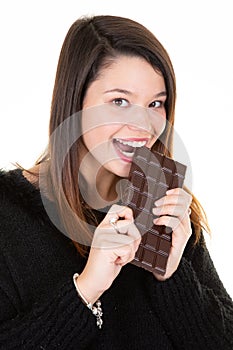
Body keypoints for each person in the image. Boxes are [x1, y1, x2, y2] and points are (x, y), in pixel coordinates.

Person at [0, 15, 232, 350]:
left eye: (156, 103)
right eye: (119, 101)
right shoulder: (8, 215)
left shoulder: (168, 208)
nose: (143, 124)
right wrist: (86, 289)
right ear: (75, 102)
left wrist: (172, 275)